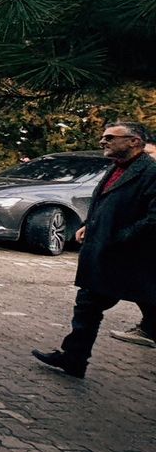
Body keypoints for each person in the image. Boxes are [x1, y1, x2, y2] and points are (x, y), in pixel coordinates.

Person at [33, 121, 156, 374]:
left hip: (129, 256)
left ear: (134, 141)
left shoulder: (151, 172)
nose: (103, 141)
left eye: (110, 137)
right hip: (104, 253)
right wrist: (89, 224)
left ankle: (74, 358)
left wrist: (119, 237)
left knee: (99, 304)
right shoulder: (116, 167)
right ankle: (74, 359)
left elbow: (154, 218)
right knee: (88, 305)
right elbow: (104, 202)